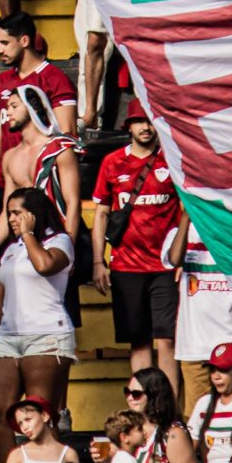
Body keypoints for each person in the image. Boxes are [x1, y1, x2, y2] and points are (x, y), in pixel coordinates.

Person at [0, 187, 77, 461]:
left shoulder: (60, 241)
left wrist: (28, 234)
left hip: (46, 335)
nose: (10, 219)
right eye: (8, 213)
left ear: (33, 215)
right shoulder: (11, 249)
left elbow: (45, 265)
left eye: (16, 213)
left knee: (40, 416)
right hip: (8, 337)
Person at [90, 115, 184, 375]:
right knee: (139, 342)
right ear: (127, 126)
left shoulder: (172, 160)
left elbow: (187, 210)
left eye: (151, 121)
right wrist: (98, 262)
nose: (146, 127)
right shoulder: (112, 162)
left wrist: (182, 258)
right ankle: (145, 410)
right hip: (126, 266)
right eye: (139, 121)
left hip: (165, 266)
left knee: (167, 341)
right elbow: (101, 213)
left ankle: (169, 413)